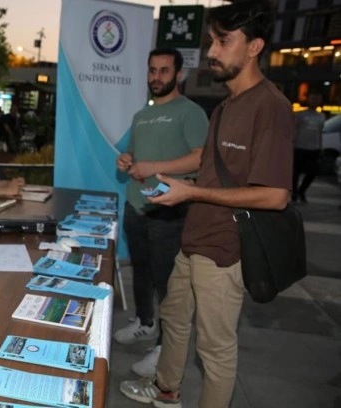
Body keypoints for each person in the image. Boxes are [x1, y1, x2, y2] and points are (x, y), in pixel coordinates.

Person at [120, 2, 291, 407]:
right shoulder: (226, 106)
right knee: (175, 321)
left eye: (223, 41)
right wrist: (181, 186)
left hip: (224, 251)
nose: (212, 51)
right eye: (212, 41)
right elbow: (209, 170)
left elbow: (275, 195)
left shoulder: (271, 107)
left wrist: (192, 192)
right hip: (193, 239)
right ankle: (166, 392)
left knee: (215, 350)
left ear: (254, 47)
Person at [114, 48, 208, 378]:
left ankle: (165, 348)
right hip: (136, 206)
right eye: (152, 70)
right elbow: (135, 155)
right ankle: (144, 321)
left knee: (169, 283)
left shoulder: (191, 112)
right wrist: (126, 160)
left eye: (164, 71)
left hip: (169, 210)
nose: (157, 77)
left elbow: (200, 158)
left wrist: (156, 167)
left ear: (179, 75)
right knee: (140, 270)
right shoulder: (142, 115)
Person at [292, 92, 325, 203]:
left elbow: (320, 133)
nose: (315, 101)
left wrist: (320, 147)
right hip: (300, 147)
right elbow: (294, 130)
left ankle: (302, 190)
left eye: (317, 99)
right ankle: (294, 193)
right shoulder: (300, 114)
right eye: (313, 98)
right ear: (308, 100)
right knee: (296, 172)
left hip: (314, 148)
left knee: (312, 172)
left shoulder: (322, 116)